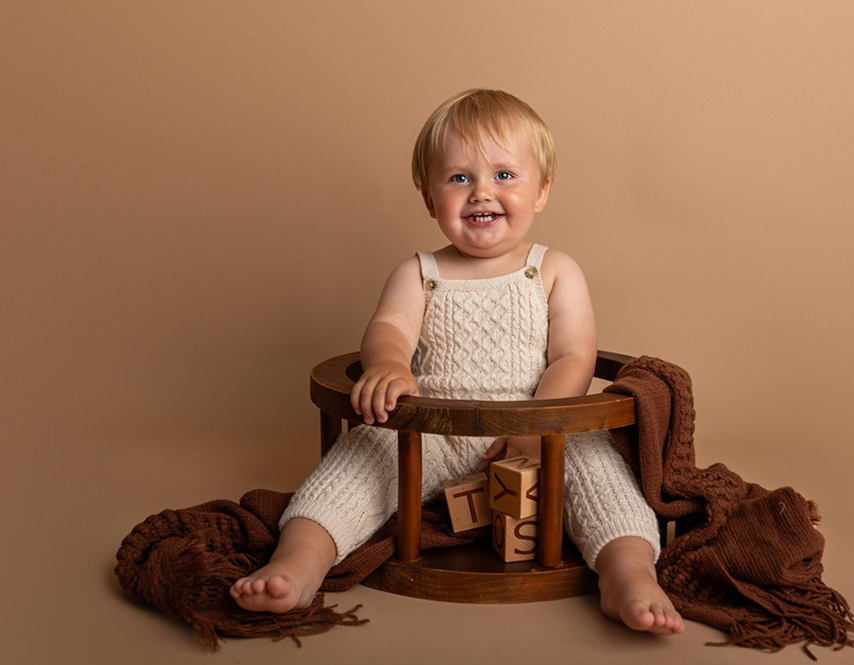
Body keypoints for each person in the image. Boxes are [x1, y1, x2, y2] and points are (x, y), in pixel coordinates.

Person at [230, 89, 684, 635]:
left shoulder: (554, 269)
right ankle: (299, 563)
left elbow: (573, 355)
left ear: (541, 191)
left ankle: (627, 575)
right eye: (459, 178)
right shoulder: (420, 272)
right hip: (433, 425)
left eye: (505, 176)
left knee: (601, 475)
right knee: (355, 466)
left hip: (537, 420)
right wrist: (391, 365)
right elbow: (389, 328)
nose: (481, 193)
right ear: (428, 197)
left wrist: (538, 425)